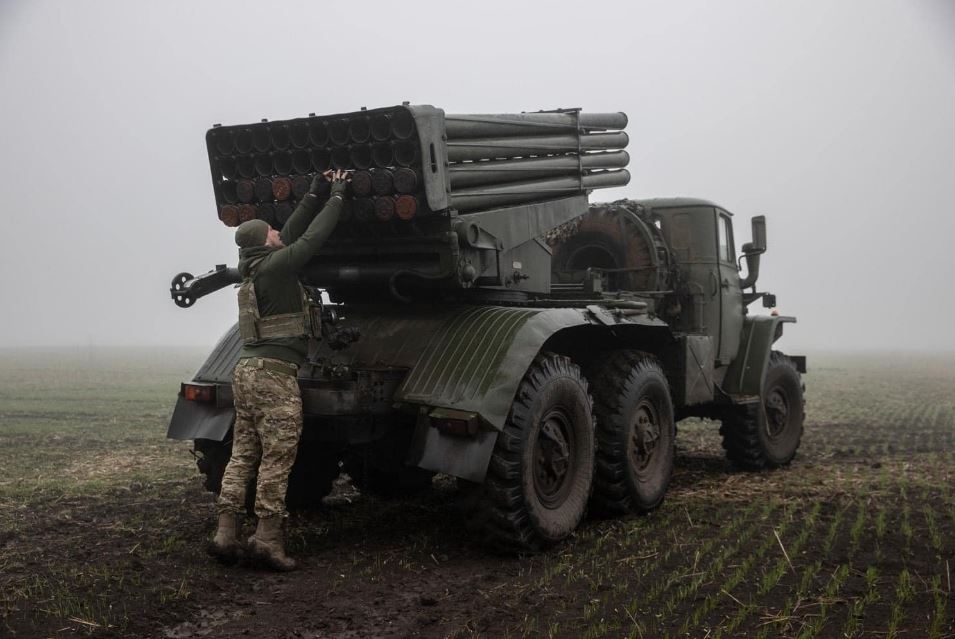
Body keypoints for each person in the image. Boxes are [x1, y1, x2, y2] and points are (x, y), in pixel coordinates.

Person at [207, 169, 349, 571]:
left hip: (247, 371)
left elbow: (291, 232)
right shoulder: (277, 269)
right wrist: (337, 197)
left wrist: (314, 190)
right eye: (270, 230)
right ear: (261, 241)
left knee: (242, 456)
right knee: (277, 458)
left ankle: (226, 532)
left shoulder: (255, 269)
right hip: (273, 376)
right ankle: (267, 539)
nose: (276, 232)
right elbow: (310, 239)